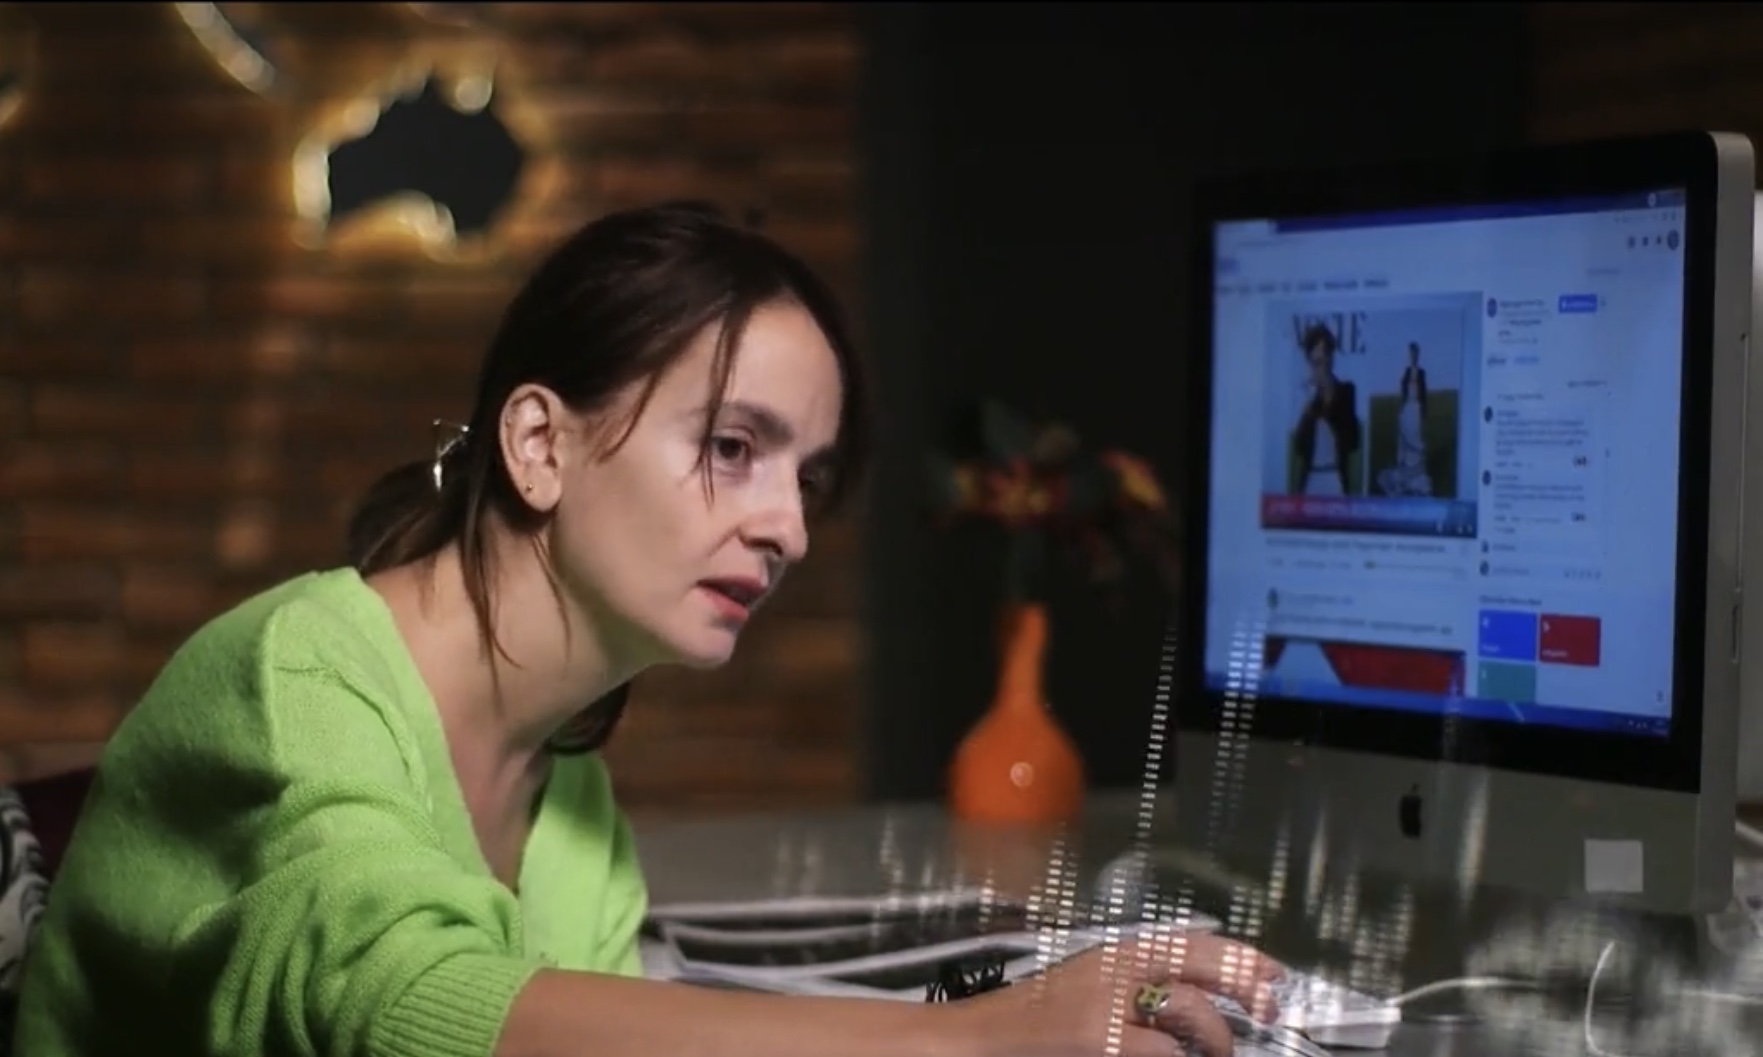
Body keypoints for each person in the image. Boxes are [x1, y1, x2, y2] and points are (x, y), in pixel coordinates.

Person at [13, 202, 1283, 1057]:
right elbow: (395, 1006)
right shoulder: (295, 676)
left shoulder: (575, 813)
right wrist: (974, 1037)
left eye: (807, 478)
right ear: (538, 442)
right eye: (732, 448)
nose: (788, 528)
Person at [1290, 323, 1360, 496]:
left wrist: (1327, 393)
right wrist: (1310, 402)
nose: (1319, 366)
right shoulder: (1308, 398)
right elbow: (1299, 447)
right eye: (1315, 362)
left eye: (1323, 357)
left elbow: (1352, 442)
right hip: (1310, 480)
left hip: (1335, 477)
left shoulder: (1346, 391)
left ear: (1330, 358)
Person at [1377, 341, 1433, 497]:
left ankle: (1415, 469)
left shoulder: (1421, 373)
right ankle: (1405, 466)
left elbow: (1423, 393)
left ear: (1417, 355)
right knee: (1405, 434)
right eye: (1411, 354)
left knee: (1415, 435)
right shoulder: (1407, 372)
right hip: (1408, 406)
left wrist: (1424, 412)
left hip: (1416, 407)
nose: (1413, 356)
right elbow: (1403, 389)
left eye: (1414, 353)